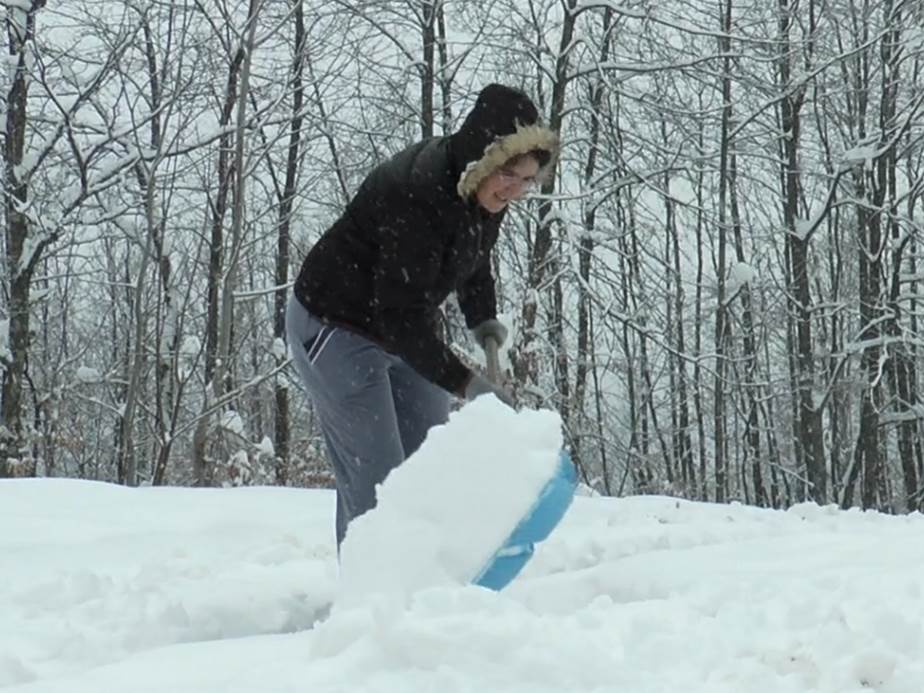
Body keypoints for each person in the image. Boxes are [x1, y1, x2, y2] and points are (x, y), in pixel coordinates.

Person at [286, 83, 559, 547]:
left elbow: (475, 258)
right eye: (509, 175)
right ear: (483, 159)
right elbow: (399, 317)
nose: (515, 190)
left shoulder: (485, 191)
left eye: (527, 180)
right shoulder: (418, 194)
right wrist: (466, 382)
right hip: (337, 327)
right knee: (379, 485)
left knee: (427, 466)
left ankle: (428, 576)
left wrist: (482, 319)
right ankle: (373, 585)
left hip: (403, 326)